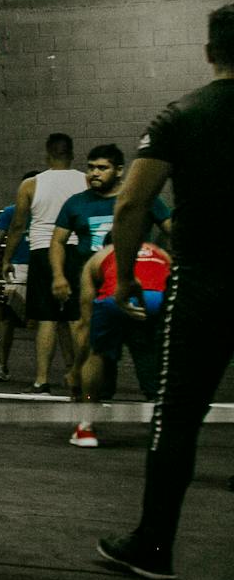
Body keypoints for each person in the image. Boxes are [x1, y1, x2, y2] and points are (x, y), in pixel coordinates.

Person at [96, 2, 234, 580]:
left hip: (205, 282)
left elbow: (130, 205)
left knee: (178, 416)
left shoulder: (182, 115)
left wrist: (125, 276)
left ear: (209, 52)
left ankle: (154, 547)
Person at [52, 144, 171, 446]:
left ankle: (87, 422)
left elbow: (174, 229)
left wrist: (76, 370)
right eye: (90, 167)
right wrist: (58, 276)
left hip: (109, 292)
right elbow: (57, 241)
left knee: (96, 355)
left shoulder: (142, 200)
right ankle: (165, 425)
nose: (93, 173)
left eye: (101, 167)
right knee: (149, 358)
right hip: (143, 293)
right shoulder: (76, 203)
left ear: (119, 171)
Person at [0, 134, 86, 395]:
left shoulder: (31, 184)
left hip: (42, 252)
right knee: (75, 318)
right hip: (75, 252)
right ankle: (79, 377)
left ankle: (41, 380)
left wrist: (6, 259)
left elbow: (17, 226)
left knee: (47, 319)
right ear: (71, 154)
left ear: (47, 155)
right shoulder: (85, 180)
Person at [75, 238, 171, 413]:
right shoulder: (159, 252)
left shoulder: (99, 256)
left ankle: (90, 404)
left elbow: (85, 318)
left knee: (99, 352)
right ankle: (155, 396)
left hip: (114, 299)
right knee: (146, 348)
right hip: (157, 300)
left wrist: (75, 369)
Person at [0, 179, 35, 382]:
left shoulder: (47, 212)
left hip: (43, 270)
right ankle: (2, 367)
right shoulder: (11, 212)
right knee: (6, 320)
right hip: (16, 271)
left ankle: (66, 369)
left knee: (55, 322)